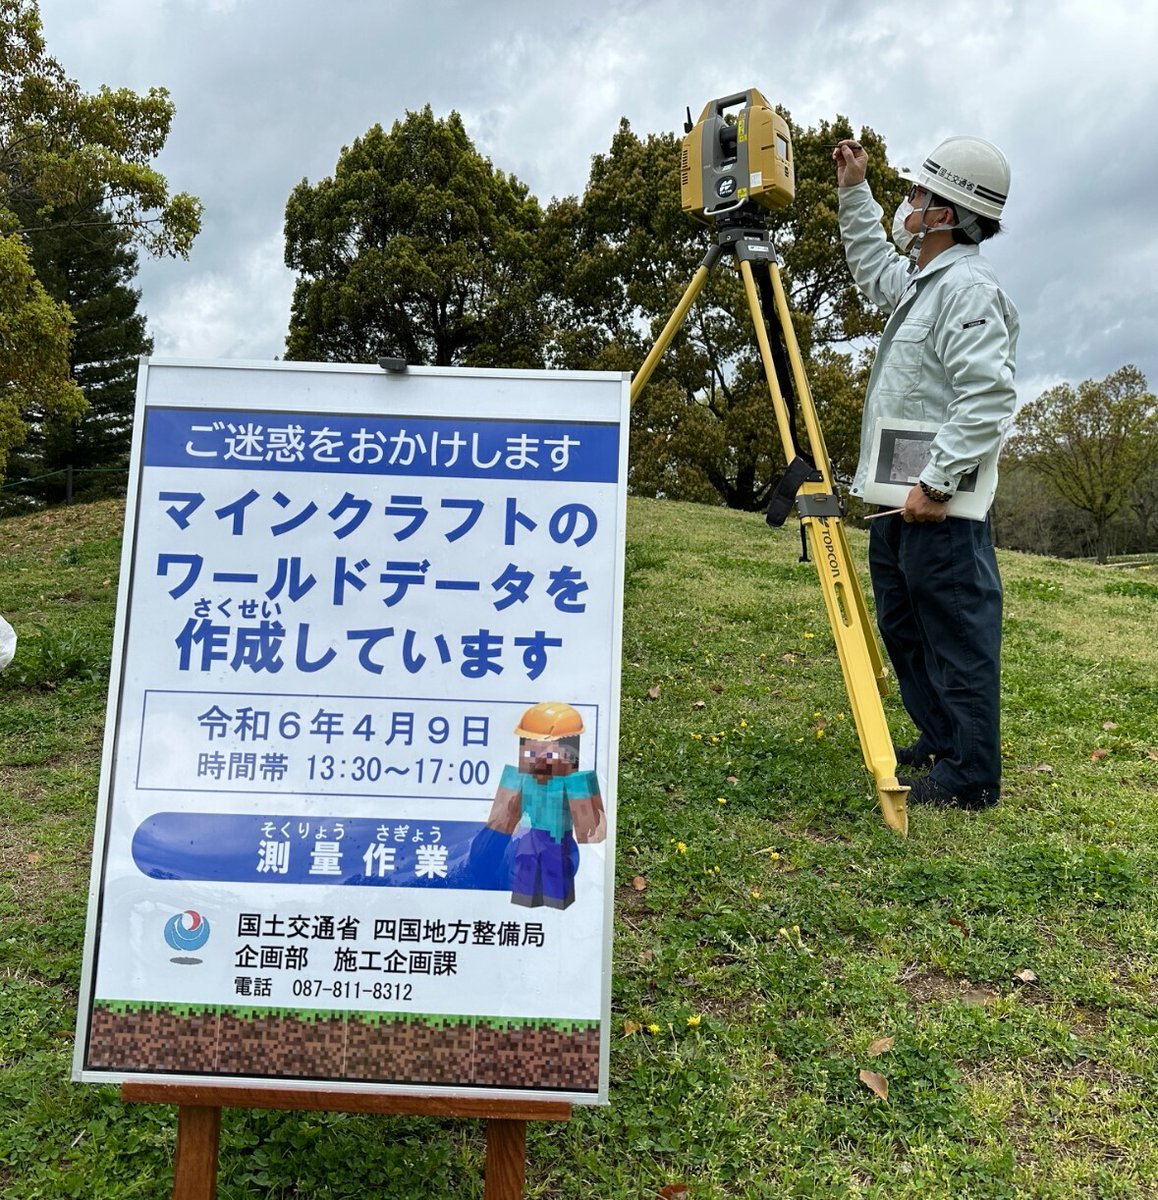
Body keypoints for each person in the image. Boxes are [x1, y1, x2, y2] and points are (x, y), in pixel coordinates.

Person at [832, 135, 1019, 809]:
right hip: (899, 502)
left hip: (939, 507)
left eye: (916, 195)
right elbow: (874, 273)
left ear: (945, 214)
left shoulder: (967, 290)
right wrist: (856, 191)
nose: (907, 203)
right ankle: (941, 740)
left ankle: (971, 776)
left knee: (957, 639)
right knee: (906, 628)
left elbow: (987, 397)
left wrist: (937, 483)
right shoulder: (924, 284)